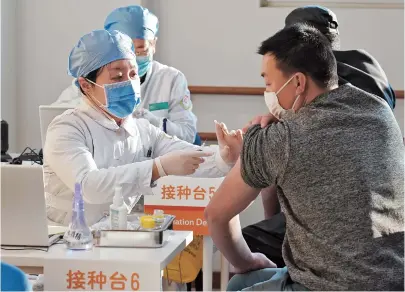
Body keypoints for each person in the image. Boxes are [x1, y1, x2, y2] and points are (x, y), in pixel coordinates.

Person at [205, 24, 404, 290]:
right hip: (393, 279)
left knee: (239, 281)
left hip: (328, 286)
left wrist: (247, 261)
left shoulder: (282, 138)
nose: (267, 93)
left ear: (298, 82)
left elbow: (216, 215)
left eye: (268, 83)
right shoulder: (379, 112)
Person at [242, 5, 398, 268]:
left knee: (249, 248)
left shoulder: (319, 88)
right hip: (387, 226)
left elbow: (220, 215)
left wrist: (269, 135)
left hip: (335, 226)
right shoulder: (368, 70)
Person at [44, 29, 242, 226]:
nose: (129, 84)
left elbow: (188, 155)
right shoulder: (67, 128)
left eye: (132, 74)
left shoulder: (141, 129)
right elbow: (89, 186)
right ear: (86, 85)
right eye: (117, 77)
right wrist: (157, 168)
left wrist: (224, 156)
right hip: (63, 239)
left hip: (109, 235)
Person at [54, 5, 200, 145]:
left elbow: (186, 135)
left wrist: (147, 119)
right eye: (117, 76)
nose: (133, 59)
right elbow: (55, 120)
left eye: (140, 49)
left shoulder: (171, 79)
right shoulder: (89, 83)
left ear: (153, 44)